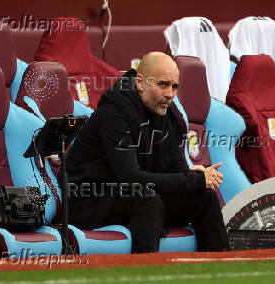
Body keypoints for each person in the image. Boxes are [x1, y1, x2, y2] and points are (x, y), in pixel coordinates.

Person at [64, 51, 228, 253]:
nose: (170, 94)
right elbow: (131, 177)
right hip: (90, 202)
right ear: (140, 83)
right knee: (148, 199)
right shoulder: (113, 114)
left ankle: (219, 269)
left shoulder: (167, 115)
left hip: (134, 196)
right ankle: (144, 271)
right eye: (163, 84)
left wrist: (195, 177)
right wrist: (193, 180)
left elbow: (175, 169)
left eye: (174, 86)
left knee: (205, 197)